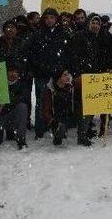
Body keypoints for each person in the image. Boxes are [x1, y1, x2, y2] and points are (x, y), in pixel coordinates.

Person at [27, 8, 71, 139]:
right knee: (41, 102)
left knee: (60, 102)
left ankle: (59, 127)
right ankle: (40, 130)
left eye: (52, 17)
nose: (49, 20)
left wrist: (63, 70)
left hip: (59, 75)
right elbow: (32, 55)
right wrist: (40, 68)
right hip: (42, 74)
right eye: (47, 17)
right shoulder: (37, 34)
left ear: (56, 19)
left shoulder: (63, 33)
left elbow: (67, 54)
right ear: (43, 19)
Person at [68, 13, 104, 146]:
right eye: (93, 23)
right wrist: (77, 74)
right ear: (88, 23)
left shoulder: (98, 38)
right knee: (82, 107)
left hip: (93, 77)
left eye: (97, 23)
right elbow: (73, 57)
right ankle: (82, 135)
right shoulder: (79, 37)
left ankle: (87, 129)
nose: (95, 26)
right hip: (82, 77)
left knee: (91, 105)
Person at [0, 62, 29, 149]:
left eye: (15, 72)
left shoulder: (22, 85)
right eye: (10, 71)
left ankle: (21, 139)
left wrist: (4, 103)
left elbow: (21, 98)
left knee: (22, 107)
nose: (13, 74)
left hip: (13, 117)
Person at [41, 70, 74, 146]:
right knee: (60, 125)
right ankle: (58, 133)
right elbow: (46, 110)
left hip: (69, 116)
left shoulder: (71, 87)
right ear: (58, 78)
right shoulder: (49, 92)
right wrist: (52, 122)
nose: (68, 77)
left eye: (68, 74)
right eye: (64, 75)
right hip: (56, 118)